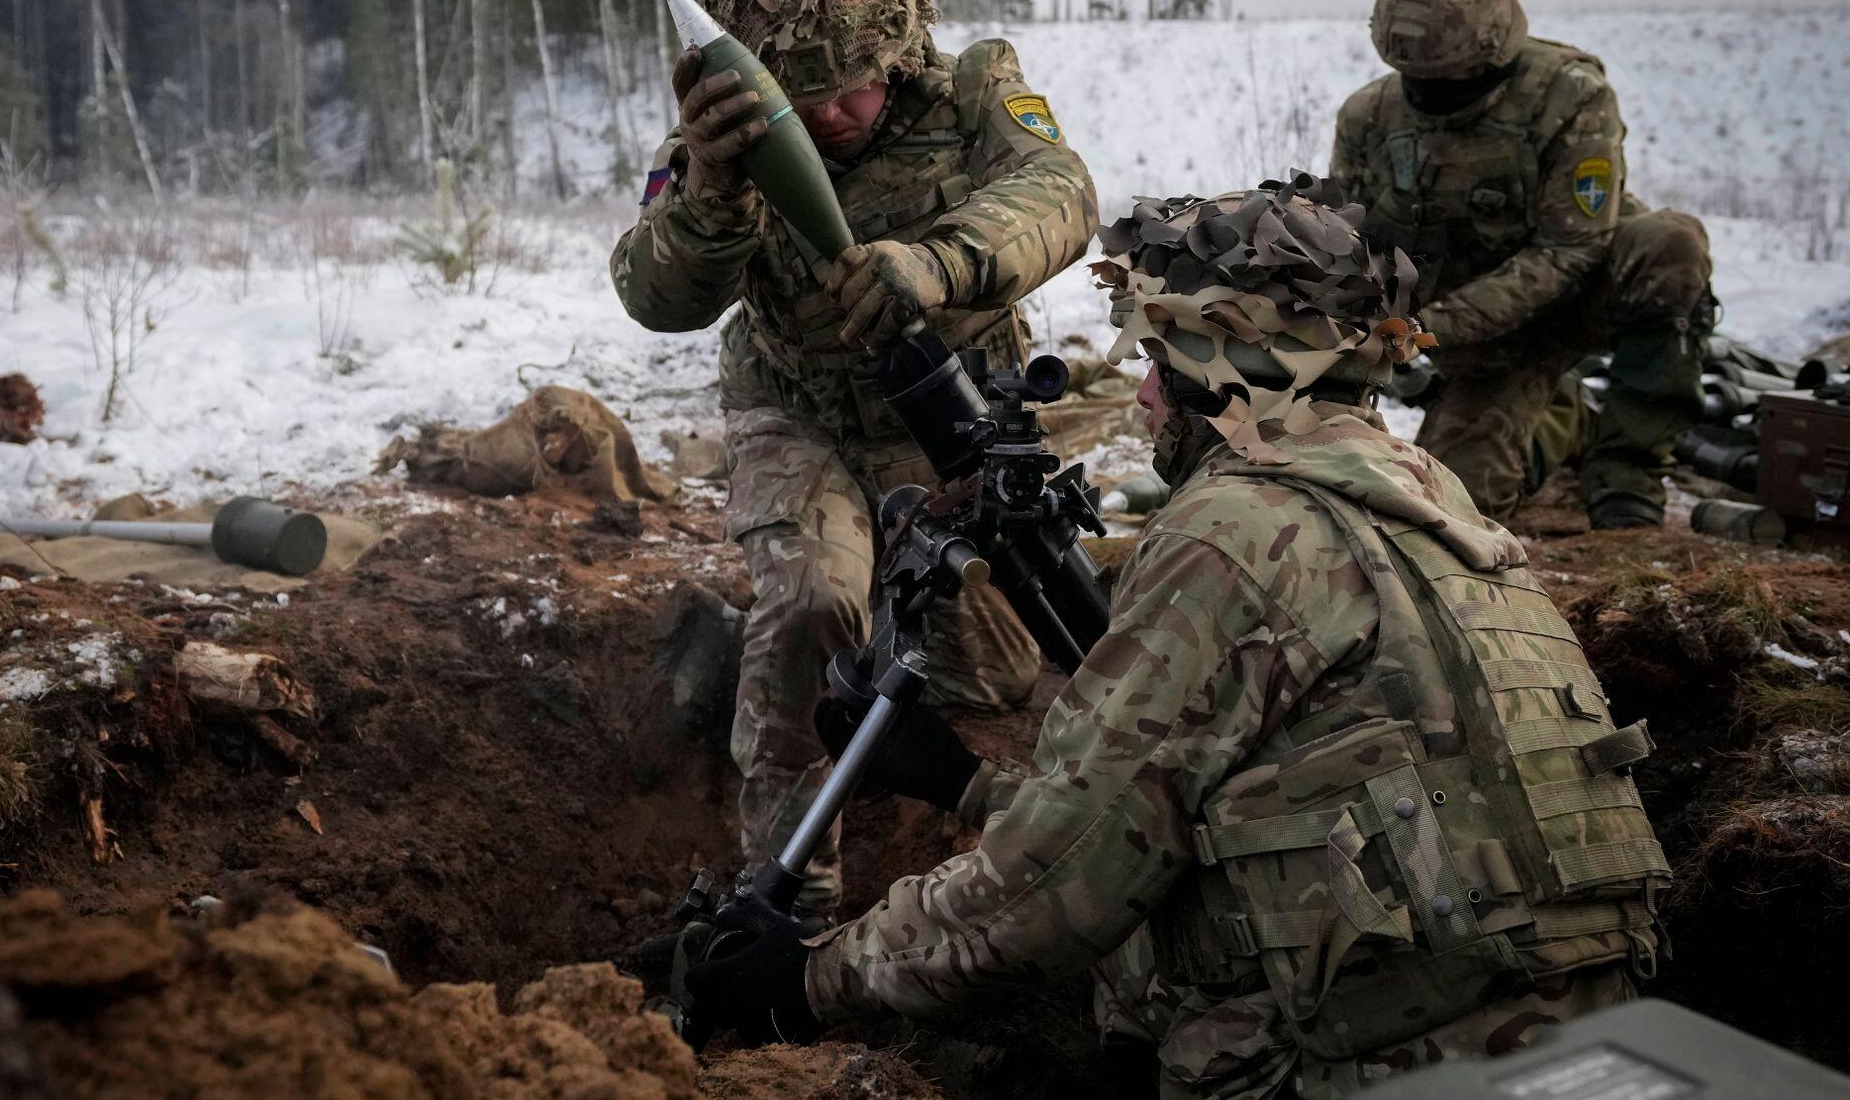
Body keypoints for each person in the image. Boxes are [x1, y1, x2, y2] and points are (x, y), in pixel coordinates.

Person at [682, 181, 1670, 1098]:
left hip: (1388, 1067)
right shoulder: (1437, 504)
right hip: (1594, 1045)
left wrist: (808, 978)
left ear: (1224, 369)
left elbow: (1050, 897)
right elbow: (1291, 809)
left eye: (1159, 363)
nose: (1144, 397)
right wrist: (965, 784)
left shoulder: (1232, 534)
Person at [610, 0, 1096, 924]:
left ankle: (841, 654)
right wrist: (711, 191)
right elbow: (655, 296)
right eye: (805, 93)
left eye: (852, 84)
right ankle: (792, 904)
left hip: (949, 424)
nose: (830, 115)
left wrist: (937, 263)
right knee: (810, 603)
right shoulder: (718, 147)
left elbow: (1060, 193)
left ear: (897, 47)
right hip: (800, 416)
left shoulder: (974, 92)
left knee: (999, 676)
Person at [1325, 0, 1714, 528]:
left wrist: (1428, 329)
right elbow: (1352, 243)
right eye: (1414, 79)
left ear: (1493, 53)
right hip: (1487, 343)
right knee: (1451, 504)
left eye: (1446, 81)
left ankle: (1627, 467)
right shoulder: (1369, 117)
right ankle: (1561, 423)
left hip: (1578, 297)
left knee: (1669, 243)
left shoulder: (1570, 96)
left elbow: (1572, 248)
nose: (1427, 95)